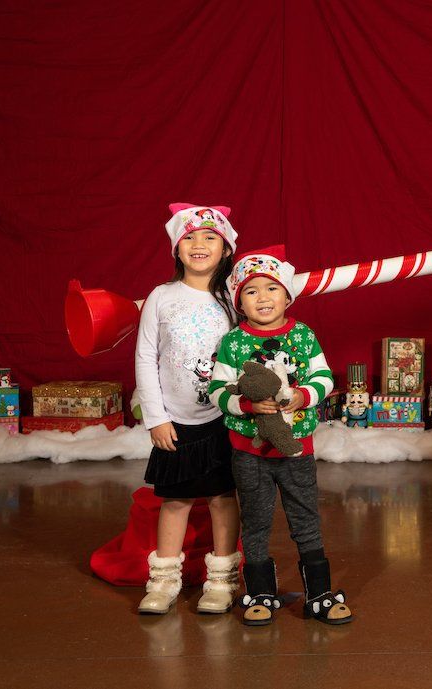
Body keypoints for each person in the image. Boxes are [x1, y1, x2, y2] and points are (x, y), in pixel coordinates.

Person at [209, 246, 352, 626]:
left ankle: (319, 593)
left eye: (271, 289)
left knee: (304, 518)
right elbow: (217, 390)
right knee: (255, 521)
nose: (263, 298)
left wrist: (303, 396)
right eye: (251, 291)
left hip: (296, 451)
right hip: (249, 452)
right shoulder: (234, 342)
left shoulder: (303, 336)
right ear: (240, 302)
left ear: (287, 295)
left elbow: (324, 378)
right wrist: (246, 405)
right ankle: (260, 592)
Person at [134, 203, 242, 614]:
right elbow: (146, 357)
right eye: (189, 238)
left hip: (222, 417)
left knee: (221, 496)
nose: (199, 245)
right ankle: (163, 581)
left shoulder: (234, 298)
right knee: (175, 500)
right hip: (175, 421)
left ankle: (222, 579)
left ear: (226, 247)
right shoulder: (161, 297)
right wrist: (155, 417)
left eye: (210, 237)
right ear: (176, 249)